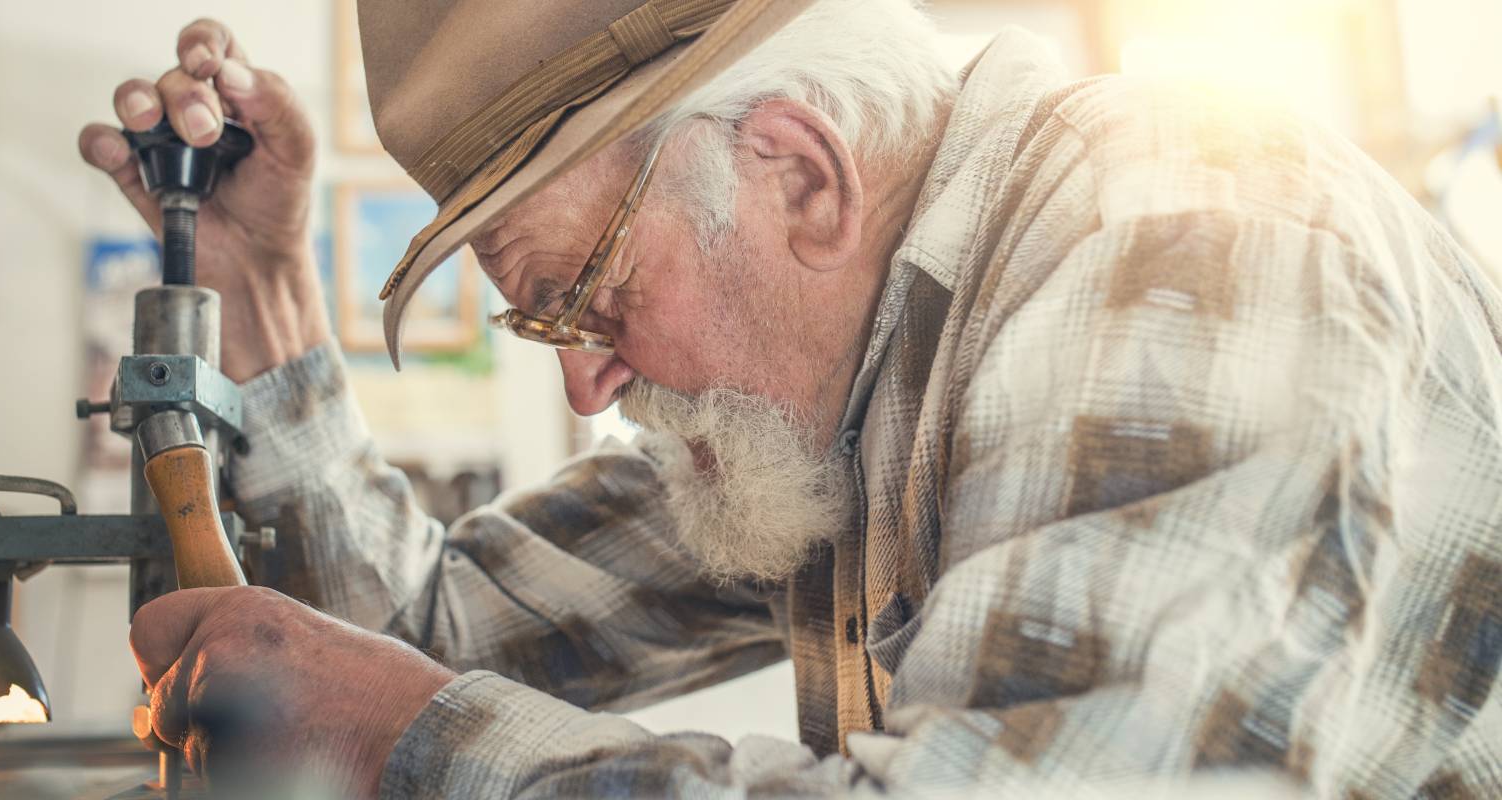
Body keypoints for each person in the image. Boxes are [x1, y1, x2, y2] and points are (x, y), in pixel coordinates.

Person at [77, 0, 1502, 796]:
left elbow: (413, 701)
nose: (586, 381)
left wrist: (424, 744)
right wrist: (263, 284)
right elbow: (413, 642)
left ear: (800, 177)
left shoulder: (1191, 239)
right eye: (541, 319)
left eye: (586, 294)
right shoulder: (830, 392)